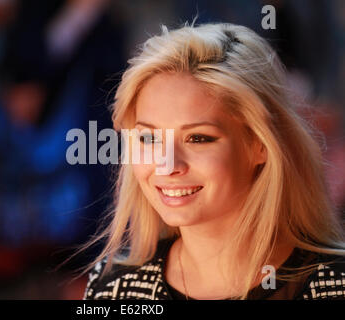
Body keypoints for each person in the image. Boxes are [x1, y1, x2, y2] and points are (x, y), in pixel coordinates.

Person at [82, 22, 345, 300]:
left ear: (260, 145)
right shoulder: (112, 289)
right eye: (149, 138)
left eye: (197, 138)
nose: (167, 165)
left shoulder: (335, 286)